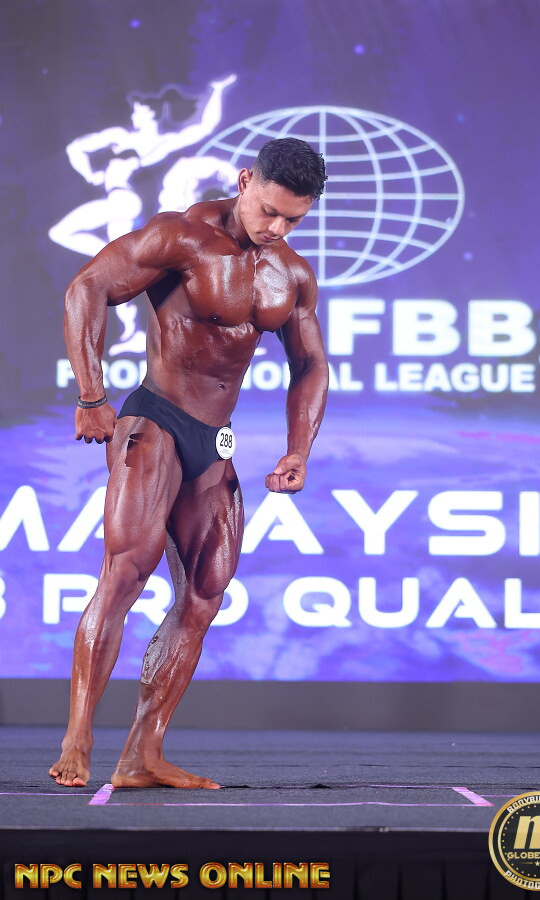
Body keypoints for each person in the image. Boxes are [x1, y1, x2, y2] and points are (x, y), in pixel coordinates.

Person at [48, 137, 328, 790]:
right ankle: (78, 738)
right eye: (269, 211)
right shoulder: (183, 238)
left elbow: (311, 363)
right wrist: (91, 396)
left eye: (293, 219)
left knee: (204, 596)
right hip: (155, 420)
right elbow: (88, 286)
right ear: (245, 180)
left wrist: (298, 448)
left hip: (215, 439)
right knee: (126, 574)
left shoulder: (291, 274)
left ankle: (142, 754)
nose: (277, 227)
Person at [48, 77, 237, 355]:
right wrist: (90, 174)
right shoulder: (120, 136)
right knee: (120, 272)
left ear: (153, 114)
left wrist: (217, 91)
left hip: (125, 202)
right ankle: (133, 332)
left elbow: (203, 127)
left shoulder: (159, 143)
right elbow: (76, 147)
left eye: (139, 111)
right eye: (134, 111)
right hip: (123, 203)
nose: (135, 116)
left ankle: (173, 324)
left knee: (64, 234)